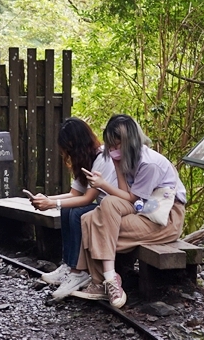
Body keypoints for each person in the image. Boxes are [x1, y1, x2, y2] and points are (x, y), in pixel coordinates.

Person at [72, 114, 186, 308]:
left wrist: (103, 185)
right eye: (111, 146)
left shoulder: (149, 163)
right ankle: (103, 281)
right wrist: (116, 166)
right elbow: (126, 194)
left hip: (165, 217)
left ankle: (105, 281)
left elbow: (133, 199)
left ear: (130, 141)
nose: (114, 150)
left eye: (118, 146)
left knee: (96, 223)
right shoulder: (125, 159)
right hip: (141, 209)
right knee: (91, 216)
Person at [29, 117, 117, 299]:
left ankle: (79, 272)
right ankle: (69, 265)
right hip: (98, 205)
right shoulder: (85, 160)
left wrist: (52, 203)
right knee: (67, 209)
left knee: (76, 212)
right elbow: (74, 193)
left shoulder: (102, 159)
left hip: (111, 210)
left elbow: (87, 199)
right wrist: (47, 199)